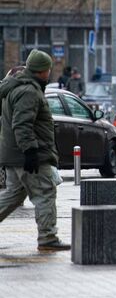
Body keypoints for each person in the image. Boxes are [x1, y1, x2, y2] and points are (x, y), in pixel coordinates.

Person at [0, 50, 71, 251]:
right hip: (29, 155)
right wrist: (30, 151)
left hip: (13, 155)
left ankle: (48, 236)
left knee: (13, 195)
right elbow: (22, 124)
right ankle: (48, 237)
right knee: (45, 193)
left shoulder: (16, 87)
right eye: (48, 69)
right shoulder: (29, 91)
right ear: (42, 70)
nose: (49, 72)